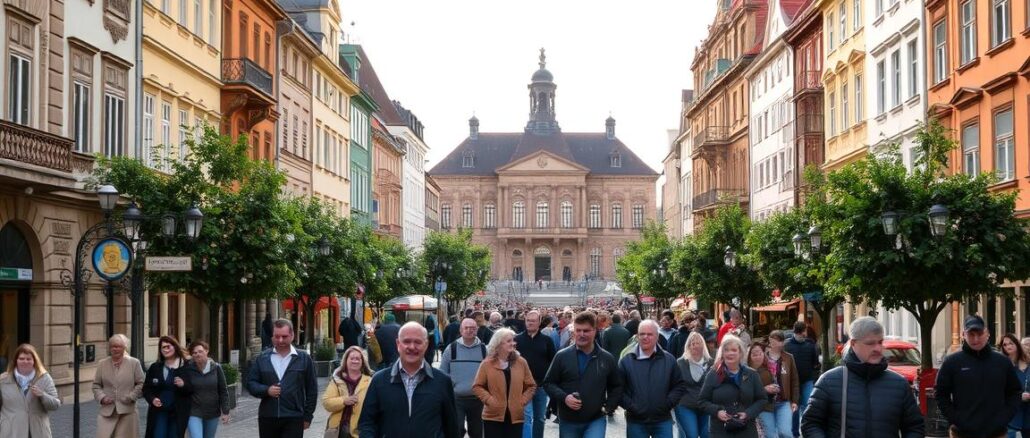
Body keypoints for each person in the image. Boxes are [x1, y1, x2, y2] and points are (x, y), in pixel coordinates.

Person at [801, 317, 923, 437]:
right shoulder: (829, 381)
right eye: (870, 343)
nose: (878, 348)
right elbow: (810, 424)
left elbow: (915, 427)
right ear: (853, 344)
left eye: (880, 342)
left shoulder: (899, 384)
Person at [357, 322, 459, 438]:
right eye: (406, 341)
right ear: (398, 344)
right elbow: (367, 423)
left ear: (426, 345)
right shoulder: (379, 381)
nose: (411, 347)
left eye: (418, 342)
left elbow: (452, 428)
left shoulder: (442, 381)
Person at [936, 315, 1021, 438]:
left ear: (987, 333)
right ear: (963, 335)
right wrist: (957, 419)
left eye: (979, 334)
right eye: (971, 334)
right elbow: (940, 394)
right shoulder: (952, 362)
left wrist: (1003, 418)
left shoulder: (1002, 362)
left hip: (996, 433)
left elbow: (1014, 392)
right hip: (962, 433)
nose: (976, 339)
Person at [543, 311, 623, 438]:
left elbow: (617, 386)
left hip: (595, 419)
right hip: (568, 419)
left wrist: (608, 407)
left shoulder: (606, 358)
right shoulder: (562, 356)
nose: (581, 334)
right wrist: (564, 397)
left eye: (586, 331)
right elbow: (548, 383)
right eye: (578, 330)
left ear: (595, 330)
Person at [246, 319, 318, 438]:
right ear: (272, 336)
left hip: (294, 416)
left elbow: (312, 390)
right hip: (268, 417)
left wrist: (308, 416)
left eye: (284, 337)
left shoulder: (304, 359)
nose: (280, 340)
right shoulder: (263, 358)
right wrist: (266, 390)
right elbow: (251, 383)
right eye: (277, 336)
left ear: (292, 335)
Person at [619, 319, 687, 438]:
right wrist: (632, 406)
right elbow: (618, 389)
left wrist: (667, 404)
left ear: (657, 336)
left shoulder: (669, 360)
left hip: (662, 420)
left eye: (649, 334)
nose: (645, 337)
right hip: (636, 421)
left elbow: (679, 385)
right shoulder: (626, 361)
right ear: (637, 336)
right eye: (642, 334)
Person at [697, 334, 766, 438]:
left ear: (740, 353)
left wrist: (748, 413)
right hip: (720, 431)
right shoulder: (713, 374)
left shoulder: (752, 374)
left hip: (746, 430)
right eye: (726, 350)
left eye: (734, 350)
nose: (730, 353)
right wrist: (717, 411)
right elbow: (702, 401)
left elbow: (762, 400)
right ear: (722, 353)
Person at [473, 328, 537, 438]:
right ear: (498, 344)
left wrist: (521, 401)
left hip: (515, 417)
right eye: (509, 341)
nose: (513, 343)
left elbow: (531, 385)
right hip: (492, 417)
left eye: (513, 340)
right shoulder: (486, 364)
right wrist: (490, 400)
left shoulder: (521, 362)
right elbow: (477, 386)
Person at [440, 317, 488, 438]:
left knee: (477, 432)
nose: (469, 330)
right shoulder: (451, 349)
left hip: (478, 400)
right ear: (461, 330)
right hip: (456, 400)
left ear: (476, 330)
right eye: (466, 328)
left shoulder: (484, 350)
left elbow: (490, 374)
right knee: (456, 430)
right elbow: (443, 374)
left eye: (472, 328)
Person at [0, 343, 60, 438]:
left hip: (37, 432)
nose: (25, 362)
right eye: (21, 359)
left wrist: (43, 395)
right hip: (11, 432)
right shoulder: (3, 380)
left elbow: (55, 405)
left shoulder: (44, 378)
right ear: (16, 361)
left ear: (34, 361)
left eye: (29, 359)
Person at [93, 334, 145, 438]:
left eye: (118, 346)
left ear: (124, 347)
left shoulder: (134, 363)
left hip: (127, 411)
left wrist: (131, 397)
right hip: (107, 412)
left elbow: (141, 383)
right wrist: (102, 398)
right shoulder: (102, 364)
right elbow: (96, 385)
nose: (115, 349)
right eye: (112, 346)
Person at [515, 310, 556, 438]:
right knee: (526, 417)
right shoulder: (517, 339)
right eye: (528, 320)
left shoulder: (547, 340)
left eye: (533, 321)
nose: (530, 323)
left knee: (539, 417)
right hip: (523, 386)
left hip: (541, 385)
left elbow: (553, 361)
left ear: (539, 322)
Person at [179, 341, 229, 438]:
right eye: (194, 353)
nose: (197, 354)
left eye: (200, 351)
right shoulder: (188, 369)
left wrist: (225, 411)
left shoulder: (216, 368)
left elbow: (223, 390)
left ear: (207, 351)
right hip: (194, 412)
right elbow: (184, 389)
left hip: (212, 412)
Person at [142, 336, 189, 438]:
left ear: (175, 347)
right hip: (159, 411)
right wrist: (152, 399)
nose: (166, 349)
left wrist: (183, 385)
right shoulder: (155, 367)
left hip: (178, 412)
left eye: (168, 346)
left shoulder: (186, 366)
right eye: (163, 347)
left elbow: (193, 388)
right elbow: (146, 389)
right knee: (158, 435)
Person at [323, 346, 373, 438]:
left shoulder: (370, 382)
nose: (355, 361)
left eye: (358, 358)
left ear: (363, 362)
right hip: (338, 431)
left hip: (360, 431)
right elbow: (327, 403)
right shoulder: (337, 380)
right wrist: (344, 401)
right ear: (346, 361)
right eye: (352, 358)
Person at [783, 321, 819, 437]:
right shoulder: (810, 343)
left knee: (798, 407)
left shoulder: (787, 344)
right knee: (802, 407)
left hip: (802, 380)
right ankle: (799, 432)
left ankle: (797, 432)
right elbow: (816, 363)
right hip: (799, 381)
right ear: (804, 331)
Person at [760, 331, 798, 438]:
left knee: (786, 433)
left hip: (784, 402)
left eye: (780, 340)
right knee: (770, 435)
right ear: (770, 341)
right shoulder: (762, 358)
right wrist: (764, 389)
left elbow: (794, 380)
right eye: (776, 340)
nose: (778, 343)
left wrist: (795, 400)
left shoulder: (789, 358)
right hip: (765, 404)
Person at [676, 332, 712, 438]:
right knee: (691, 435)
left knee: (707, 434)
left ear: (703, 345)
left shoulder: (711, 363)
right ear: (688, 347)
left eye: (698, 343)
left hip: (706, 406)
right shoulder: (680, 363)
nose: (695, 345)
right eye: (692, 343)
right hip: (686, 405)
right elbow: (674, 384)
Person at [999, 334, 1030, 438]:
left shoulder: (1028, 364)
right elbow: (998, 392)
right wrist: (1018, 397)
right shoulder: (1003, 368)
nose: (1008, 346)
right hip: (1012, 419)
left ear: (1017, 344)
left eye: (1011, 343)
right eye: (1005, 344)